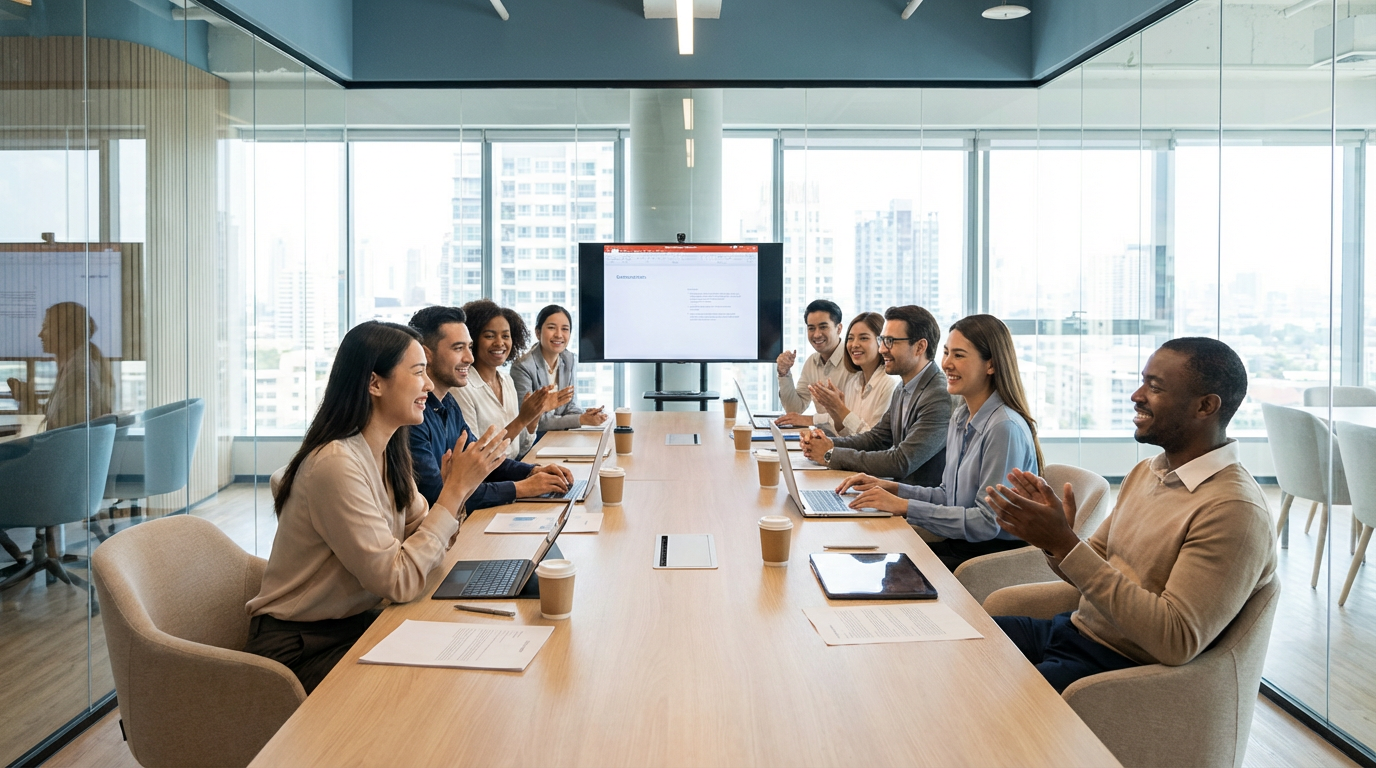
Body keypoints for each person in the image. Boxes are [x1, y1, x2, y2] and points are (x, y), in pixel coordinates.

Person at [984, 337, 1276, 693]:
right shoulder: (1147, 471)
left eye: (1155, 387)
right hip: (1072, 633)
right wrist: (1056, 543)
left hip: (1117, 669)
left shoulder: (1233, 511)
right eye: (1143, 382)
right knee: (954, 645)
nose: (1137, 395)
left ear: (1205, 406)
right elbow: (1087, 570)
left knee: (985, 697)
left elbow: (1176, 640)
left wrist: (1066, 543)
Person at [244, 321, 510, 692]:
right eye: (417, 372)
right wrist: (453, 493)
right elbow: (398, 580)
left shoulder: (389, 450)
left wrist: (456, 494)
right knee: (437, 681)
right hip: (301, 649)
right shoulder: (335, 464)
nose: (428, 385)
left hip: (354, 622)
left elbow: (427, 541)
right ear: (374, 383)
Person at [837, 315, 1042, 570]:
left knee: (882, 566)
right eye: (946, 353)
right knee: (871, 553)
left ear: (990, 365)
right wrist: (893, 489)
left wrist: (905, 506)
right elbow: (948, 495)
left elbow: (987, 522)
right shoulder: (961, 416)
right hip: (960, 544)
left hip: (989, 558)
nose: (946, 363)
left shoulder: (1004, 428)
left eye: (959, 355)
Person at [407, 305, 574, 510]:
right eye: (458, 348)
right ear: (427, 355)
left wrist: (531, 471)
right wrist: (521, 488)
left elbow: (484, 458)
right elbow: (438, 495)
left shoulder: (448, 403)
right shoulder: (413, 417)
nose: (469, 358)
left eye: (469, 347)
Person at [799, 305, 951, 487]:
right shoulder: (904, 387)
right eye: (882, 340)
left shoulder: (938, 395)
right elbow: (876, 439)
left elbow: (901, 461)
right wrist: (826, 443)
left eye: (890, 341)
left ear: (920, 347)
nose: (882, 349)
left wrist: (830, 454)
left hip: (914, 500)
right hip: (892, 492)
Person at [452, 300, 569, 460]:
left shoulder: (507, 381)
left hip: (513, 468)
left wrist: (534, 415)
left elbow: (521, 449)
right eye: (489, 336)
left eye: (506, 336)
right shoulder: (462, 387)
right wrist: (522, 419)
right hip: (490, 475)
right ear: (473, 339)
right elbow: (475, 458)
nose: (500, 343)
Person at [776, 311, 896, 437]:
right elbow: (845, 433)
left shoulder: (889, 384)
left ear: (881, 342)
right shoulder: (855, 381)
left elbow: (874, 441)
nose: (855, 344)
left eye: (863, 338)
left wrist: (839, 409)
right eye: (850, 338)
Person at [6, 301, 114, 430]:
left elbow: (64, 431)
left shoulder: (79, 374)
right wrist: (28, 398)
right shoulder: (73, 366)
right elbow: (56, 418)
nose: (40, 334)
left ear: (65, 332)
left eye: (46, 327)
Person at [510, 304, 608, 432]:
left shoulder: (569, 359)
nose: (559, 335)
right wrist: (580, 419)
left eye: (565, 329)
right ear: (538, 333)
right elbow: (530, 421)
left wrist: (585, 414)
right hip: (535, 439)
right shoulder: (522, 367)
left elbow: (570, 406)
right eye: (551, 328)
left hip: (561, 435)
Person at [775, 299, 856, 419]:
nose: (817, 334)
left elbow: (854, 417)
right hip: (822, 431)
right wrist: (784, 373)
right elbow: (795, 409)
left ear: (839, 328)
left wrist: (811, 420)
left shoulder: (854, 360)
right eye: (811, 328)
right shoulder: (811, 362)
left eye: (823, 327)